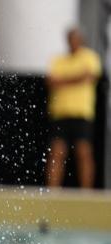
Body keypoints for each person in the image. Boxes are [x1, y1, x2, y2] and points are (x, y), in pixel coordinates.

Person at [45, 28, 102, 188]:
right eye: (70, 39)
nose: (73, 42)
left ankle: (86, 192)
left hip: (81, 113)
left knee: (83, 152)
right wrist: (77, 78)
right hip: (61, 113)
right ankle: (53, 191)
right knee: (57, 153)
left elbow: (89, 77)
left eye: (76, 38)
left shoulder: (89, 57)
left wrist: (63, 80)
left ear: (81, 40)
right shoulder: (58, 59)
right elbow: (51, 81)